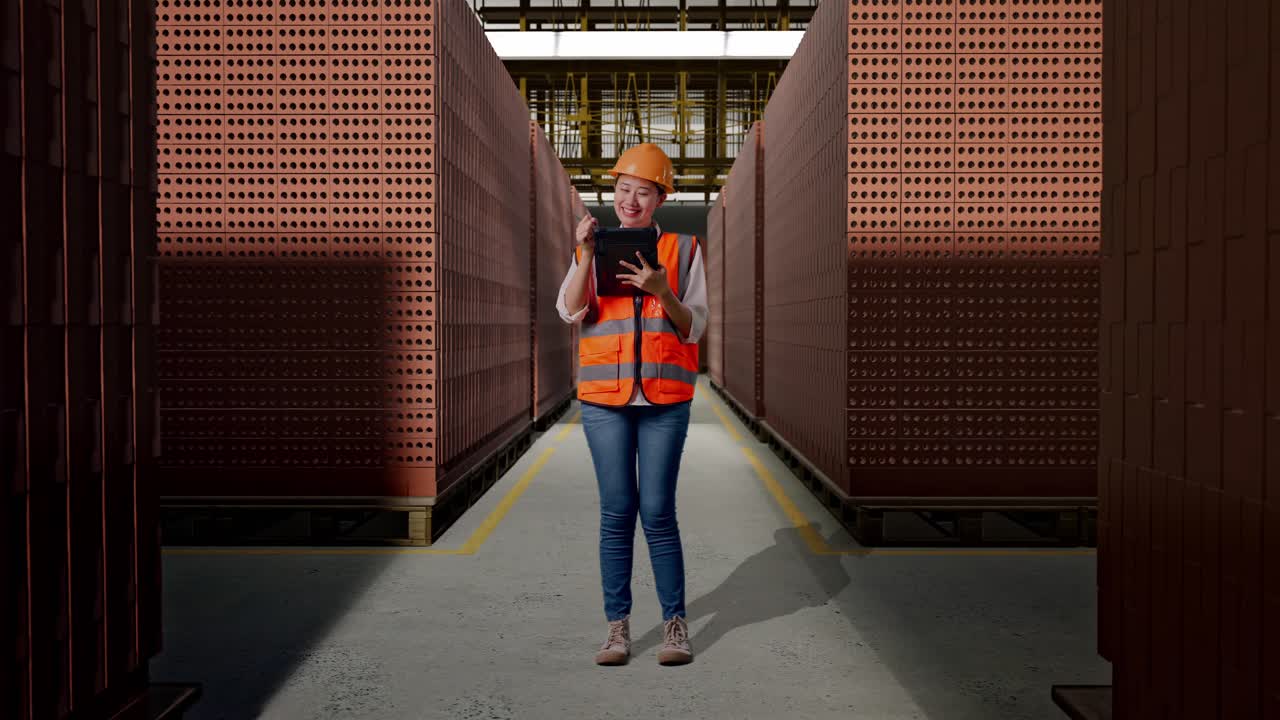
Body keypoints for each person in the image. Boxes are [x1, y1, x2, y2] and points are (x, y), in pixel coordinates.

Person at [556, 143, 709, 666]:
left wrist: (663, 292)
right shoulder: (592, 245)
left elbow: (696, 329)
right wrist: (581, 253)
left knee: (658, 512)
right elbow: (570, 310)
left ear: (660, 197)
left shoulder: (684, 250)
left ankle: (674, 627)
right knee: (617, 512)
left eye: (643, 191)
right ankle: (617, 629)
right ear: (613, 192)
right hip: (605, 400)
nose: (630, 199)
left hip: (665, 400)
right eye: (623, 189)